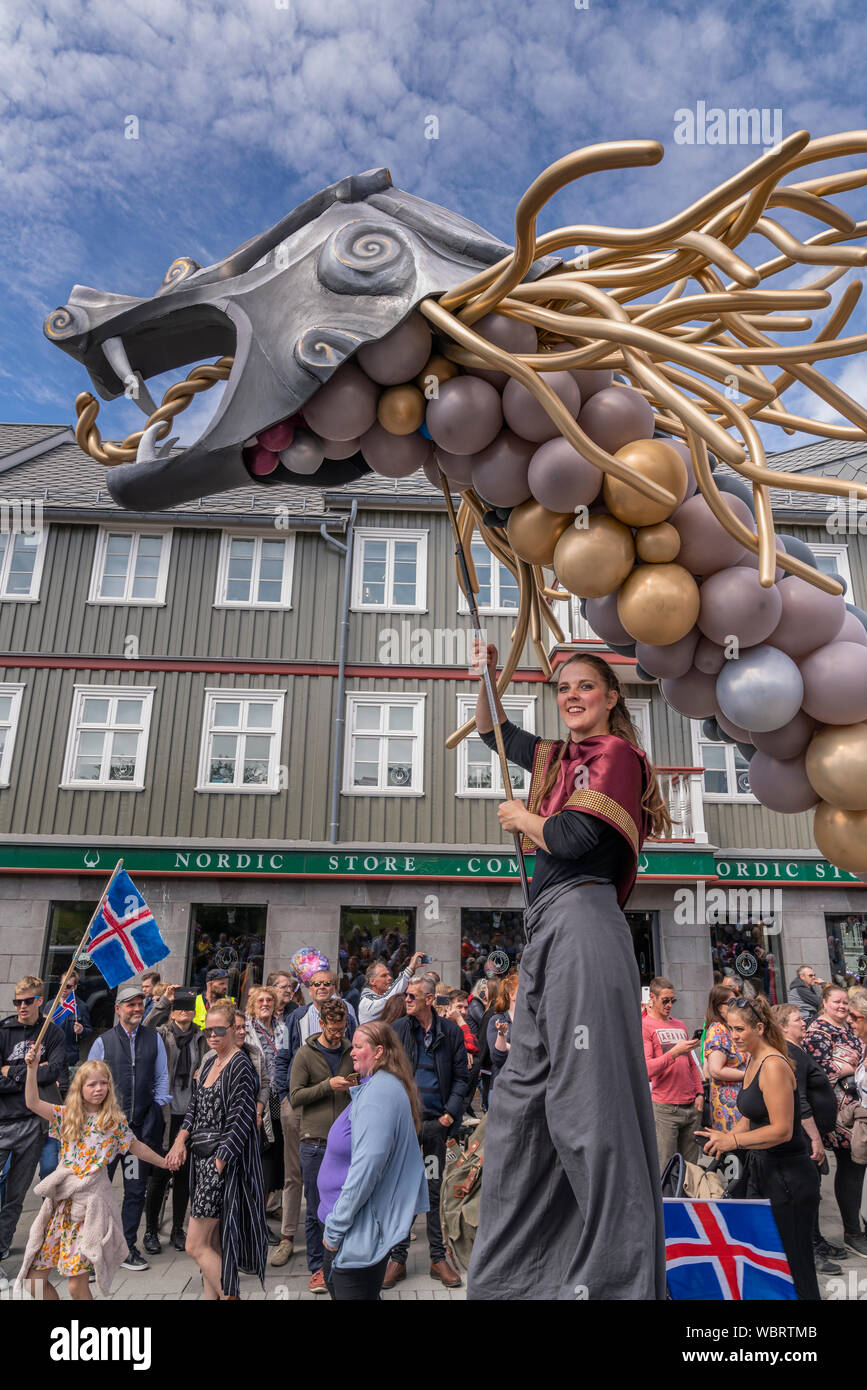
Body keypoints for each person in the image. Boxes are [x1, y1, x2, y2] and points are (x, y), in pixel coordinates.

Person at [467, 645, 670, 1300]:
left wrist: (524, 820)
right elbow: (493, 733)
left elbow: (575, 840)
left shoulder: (613, 757)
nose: (571, 695)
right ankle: (523, 1279)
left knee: (589, 1104)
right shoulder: (561, 758)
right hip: (546, 929)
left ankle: (619, 1282)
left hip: (583, 920)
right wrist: (485, 676)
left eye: (586, 686)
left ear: (612, 696)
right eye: (562, 688)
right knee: (522, 1099)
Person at [16, 1048, 167, 1300]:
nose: (99, 1089)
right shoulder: (66, 1116)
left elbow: (136, 1146)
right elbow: (32, 1102)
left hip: (88, 1209)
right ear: (79, 1088)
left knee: (76, 1286)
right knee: (34, 1281)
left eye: (103, 1083)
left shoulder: (113, 1121)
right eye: (92, 1084)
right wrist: (31, 1070)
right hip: (60, 1207)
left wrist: (163, 1162)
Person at [697, 996, 821, 1301]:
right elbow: (751, 1116)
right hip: (767, 1172)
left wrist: (734, 1141)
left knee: (796, 1265)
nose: (734, 1036)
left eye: (739, 1029)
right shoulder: (752, 1060)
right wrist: (723, 1138)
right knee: (772, 1261)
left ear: (761, 1027)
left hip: (790, 1178)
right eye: (730, 1029)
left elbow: (782, 1129)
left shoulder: (773, 1065)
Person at [166, 1000, 268, 1299]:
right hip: (201, 1158)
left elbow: (240, 1121)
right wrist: (179, 1139)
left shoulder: (241, 1065)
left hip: (222, 1163)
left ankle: (231, 1294)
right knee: (212, 1245)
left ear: (234, 1030)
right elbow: (194, 1106)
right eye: (207, 1030)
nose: (212, 1036)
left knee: (194, 1245)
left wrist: (218, 1166)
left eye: (219, 1030)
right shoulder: (209, 1060)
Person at [319, 1022, 428, 1301]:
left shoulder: (379, 1093)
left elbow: (367, 1169)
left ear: (379, 1051)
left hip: (355, 1233)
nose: (351, 1052)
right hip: (352, 1229)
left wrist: (335, 1229)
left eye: (358, 1046)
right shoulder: (378, 1086)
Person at [383, 974, 468, 1290]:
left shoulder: (450, 1032)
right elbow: (385, 1074)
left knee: (433, 1190)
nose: (406, 1000)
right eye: (406, 995)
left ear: (430, 999)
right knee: (403, 1189)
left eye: (412, 996)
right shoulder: (398, 1031)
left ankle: (437, 1257)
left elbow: (462, 1076)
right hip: (406, 1125)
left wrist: (449, 1115)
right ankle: (398, 1258)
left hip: (436, 1124)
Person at [272, 965, 358, 1267]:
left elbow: (358, 1055)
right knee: (297, 1177)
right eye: (316, 983)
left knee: (336, 1182)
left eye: (327, 983)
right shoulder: (296, 1018)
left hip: (339, 1116)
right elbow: (283, 1059)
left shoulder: (347, 1016)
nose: (321, 987)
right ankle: (287, 1238)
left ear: (335, 986)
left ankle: (337, 1246)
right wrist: (286, 1099)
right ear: (308, 988)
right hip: (300, 1109)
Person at [88, 982, 171, 1271]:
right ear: (118, 1009)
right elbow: (88, 1083)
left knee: (135, 1190)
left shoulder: (154, 1039)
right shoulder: (104, 1042)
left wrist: (157, 1108)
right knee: (98, 1191)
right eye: (130, 1004)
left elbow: (161, 1076)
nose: (136, 1009)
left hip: (138, 1134)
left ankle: (126, 1247)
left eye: (139, 1004)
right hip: (108, 1134)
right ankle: (91, 1249)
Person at [0, 977, 67, 1271]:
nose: (22, 1007)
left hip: (33, 1123)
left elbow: (53, 1072)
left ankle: (2, 1246)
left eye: (28, 1001)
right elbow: (37, 1075)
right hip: (3, 1119)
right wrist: (27, 1072)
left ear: (40, 1000)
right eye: (18, 1002)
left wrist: (9, 1071)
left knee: (17, 1192)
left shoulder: (51, 1032)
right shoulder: (4, 1030)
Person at [289, 998, 355, 1293]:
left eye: (342, 1029)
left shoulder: (350, 1049)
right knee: (317, 1208)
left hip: (346, 1142)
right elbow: (295, 1096)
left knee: (344, 1205)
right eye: (334, 1029)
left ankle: (340, 1261)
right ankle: (317, 1267)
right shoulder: (305, 1053)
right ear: (322, 1024)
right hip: (315, 1142)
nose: (338, 1034)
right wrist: (328, 1085)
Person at [773, 1002, 844, 1274]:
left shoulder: (799, 1050)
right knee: (806, 1194)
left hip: (809, 1136)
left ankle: (816, 1241)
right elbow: (799, 1101)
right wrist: (815, 1138)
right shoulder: (790, 1053)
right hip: (802, 1137)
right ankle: (808, 1251)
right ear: (782, 1027)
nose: (804, 1023)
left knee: (812, 1193)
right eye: (797, 1020)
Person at [142, 986, 209, 1254]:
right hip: (165, 1113)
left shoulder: (200, 1038)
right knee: (159, 1173)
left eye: (189, 1007)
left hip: (190, 1112)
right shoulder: (161, 1034)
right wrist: (162, 1002)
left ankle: (178, 1228)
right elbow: (143, 1029)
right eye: (179, 1006)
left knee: (183, 1174)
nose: (184, 1011)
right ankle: (150, 1230)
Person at [804, 984, 867, 1255]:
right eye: (837, 1002)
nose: (842, 1007)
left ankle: (856, 1226)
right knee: (851, 1166)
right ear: (824, 1003)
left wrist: (848, 1065)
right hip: (837, 1112)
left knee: (858, 1168)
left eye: (845, 1003)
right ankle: (852, 1231)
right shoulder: (817, 1031)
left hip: (858, 1106)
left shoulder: (849, 1029)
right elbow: (819, 1072)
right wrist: (849, 1066)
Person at [642, 977, 704, 1171]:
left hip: (690, 1103)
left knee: (691, 1169)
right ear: (652, 997)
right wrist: (674, 1053)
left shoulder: (679, 1025)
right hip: (665, 1107)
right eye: (665, 1000)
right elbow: (647, 1069)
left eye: (673, 1000)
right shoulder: (645, 1025)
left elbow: (692, 1062)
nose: (670, 1005)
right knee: (665, 1168)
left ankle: (688, 1201)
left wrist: (700, 1092)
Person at [245, 986, 284, 1228]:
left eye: (270, 999)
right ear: (252, 1004)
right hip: (256, 1099)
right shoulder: (246, 1028)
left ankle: (260, 1213)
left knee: (274, 1158)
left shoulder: (282, 1027)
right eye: (260, 1000)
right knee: (260, 1157)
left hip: (278, 1099)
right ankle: (252, 1216)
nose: (265, 1003)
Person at [704, 983, 747, 1132]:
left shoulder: (730, 1028)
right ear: (717, 1006)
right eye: (730, 1003)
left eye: (736, 1002)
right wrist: (748, 1075)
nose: (735, 1007)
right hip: (729, 1104)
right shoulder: (718, 1029)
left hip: (741, 1100)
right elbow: (715, 1070)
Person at [47, 968, 93, 1087]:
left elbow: (89, 1031)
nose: (64, 989)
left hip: (69, 1056)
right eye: (62, 985)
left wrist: (82, 1030)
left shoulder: (81, 1007)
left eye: (68, 986)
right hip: (49, 1055)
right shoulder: (50, 1005)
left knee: (64, 1090)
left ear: (75, 987)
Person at [357, 953, 425, 1024]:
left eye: (388, 974)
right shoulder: (366, 1002)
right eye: (384, 976)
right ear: (372, 981)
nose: (389, 978)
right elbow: (387, 999)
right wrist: (409, 970)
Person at [487, 971, 519, 1090]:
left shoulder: (532, 1021)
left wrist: (508, 1046)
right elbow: (497, 1058)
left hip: (528, 1085)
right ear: (512, 995)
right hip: (502, 1085)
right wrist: (502, 1035)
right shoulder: (497, 1020)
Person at [266, 971, 300, 1049]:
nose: (289, 991)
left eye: (290, 987)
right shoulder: (262, 1011)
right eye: (284, 987)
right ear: (271, 989)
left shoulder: (294, 1010)